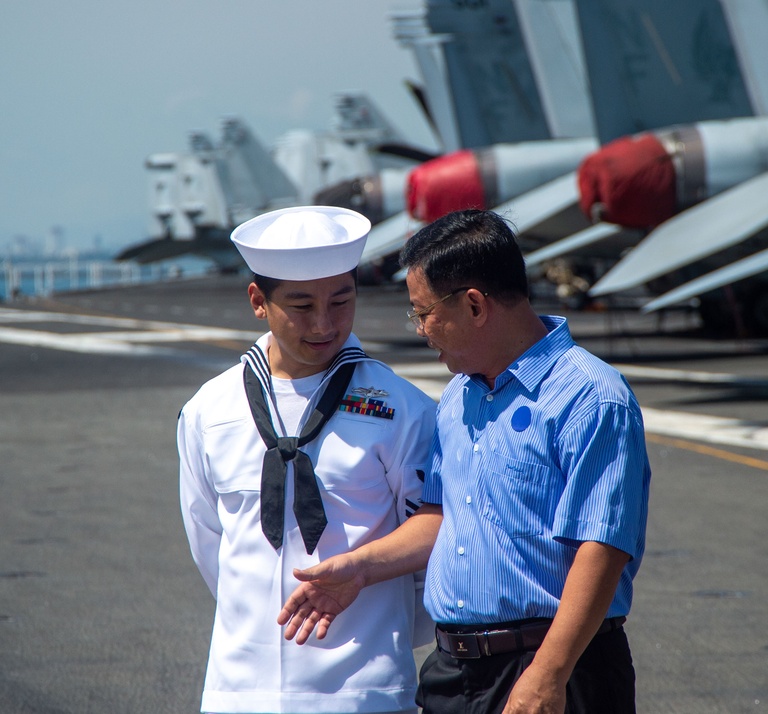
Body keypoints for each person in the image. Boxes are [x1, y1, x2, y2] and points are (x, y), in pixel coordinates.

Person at [278, 209, 651, 714]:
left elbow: (602, 548)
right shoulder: (458, 398)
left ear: (474, 305)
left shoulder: (589, 396)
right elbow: (441, 516)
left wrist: (548, 675)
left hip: (554, 668)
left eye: (424, 312)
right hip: (455, 672)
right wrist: (359, 569)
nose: (421, 330)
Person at [178, 205, 437, 714]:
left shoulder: (402, 409)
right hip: (239, 690)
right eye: (301, 306)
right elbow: (209, 541)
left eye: (341, 301)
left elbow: (432, 541)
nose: (324, 323)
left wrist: (386, 627)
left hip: (366, 689)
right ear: (258, 301)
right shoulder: (210, 411)